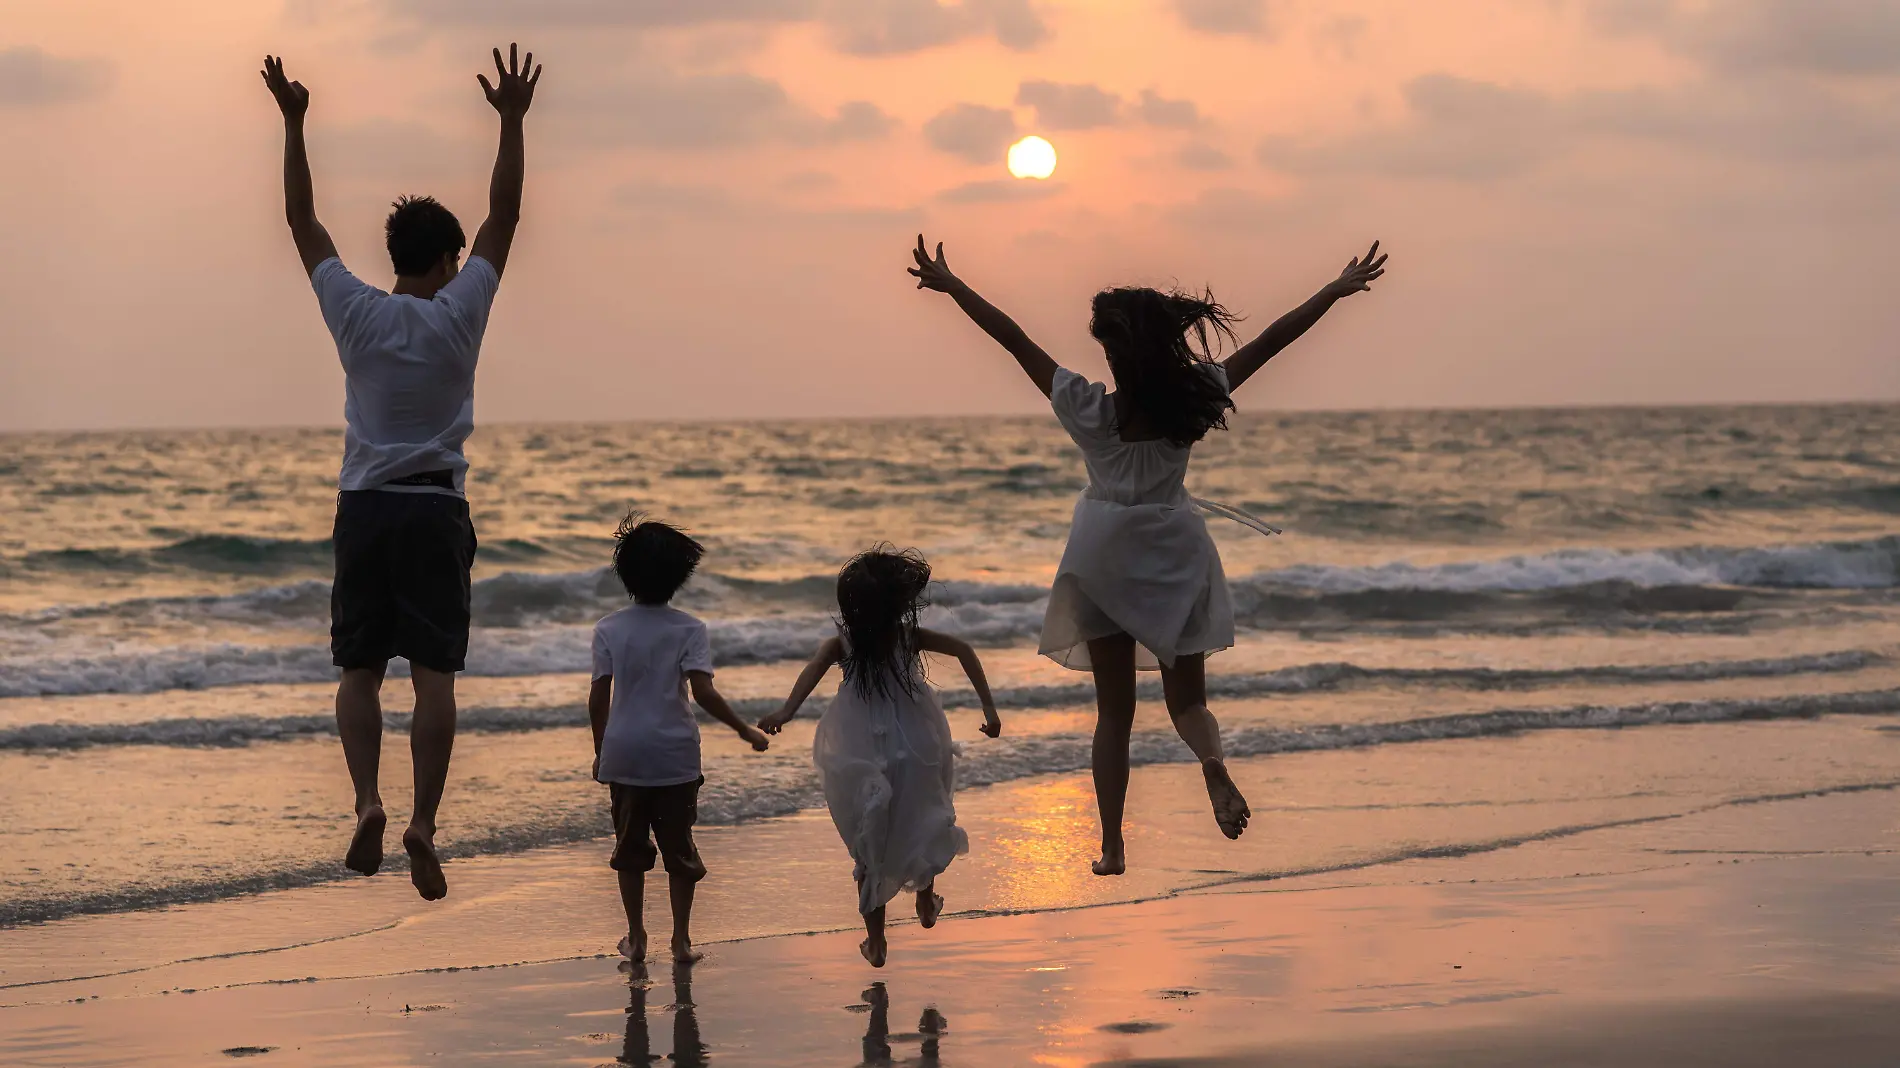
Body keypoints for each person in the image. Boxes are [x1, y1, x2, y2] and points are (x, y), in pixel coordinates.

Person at [907, 234, 1387, 876]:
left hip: (1103, 557)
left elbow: (1012, 339)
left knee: (1114, 714)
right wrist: (1330, 292)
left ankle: (1111, 845)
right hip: (1173, 556)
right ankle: (1213, 768)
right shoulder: (1192, 398)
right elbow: (1272, 342)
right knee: (1187, 702)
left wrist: (955, 285)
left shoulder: (1088, 409)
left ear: (1111, 351)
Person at [260, 46, 543, 900]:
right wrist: (512, 120)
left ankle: (366, 802)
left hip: (365, 508)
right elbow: (507, 215)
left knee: (357, 673)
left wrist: (295, 120)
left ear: (392, 255)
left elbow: (302, 223)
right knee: (433, 681)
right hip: (434, 509)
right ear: (450, 258)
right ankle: (422, 821)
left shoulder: (355, 311)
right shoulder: (462, 311)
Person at [760, 547, 1002, 968]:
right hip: (918, 745)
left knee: (870, 841)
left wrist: (785, 712)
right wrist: (990, 710)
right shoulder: (907, 637)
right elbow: (964, 650)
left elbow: (812, 672)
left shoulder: (843, 643)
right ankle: (925, 903)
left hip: (864, 752)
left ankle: (877, 942)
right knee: (924, 817)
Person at [590, 516, 771, 968]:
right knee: (680, 849)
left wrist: (601, 750)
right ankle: (682, 940)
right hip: (675, 755)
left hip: (626, 752)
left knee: (630, 852)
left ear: (625, 574)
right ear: (680, 576)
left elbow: (599, 695)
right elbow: (704, 692)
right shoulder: (689, 628)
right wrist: (744, 729)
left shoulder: (608, 628)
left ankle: (635, 937)